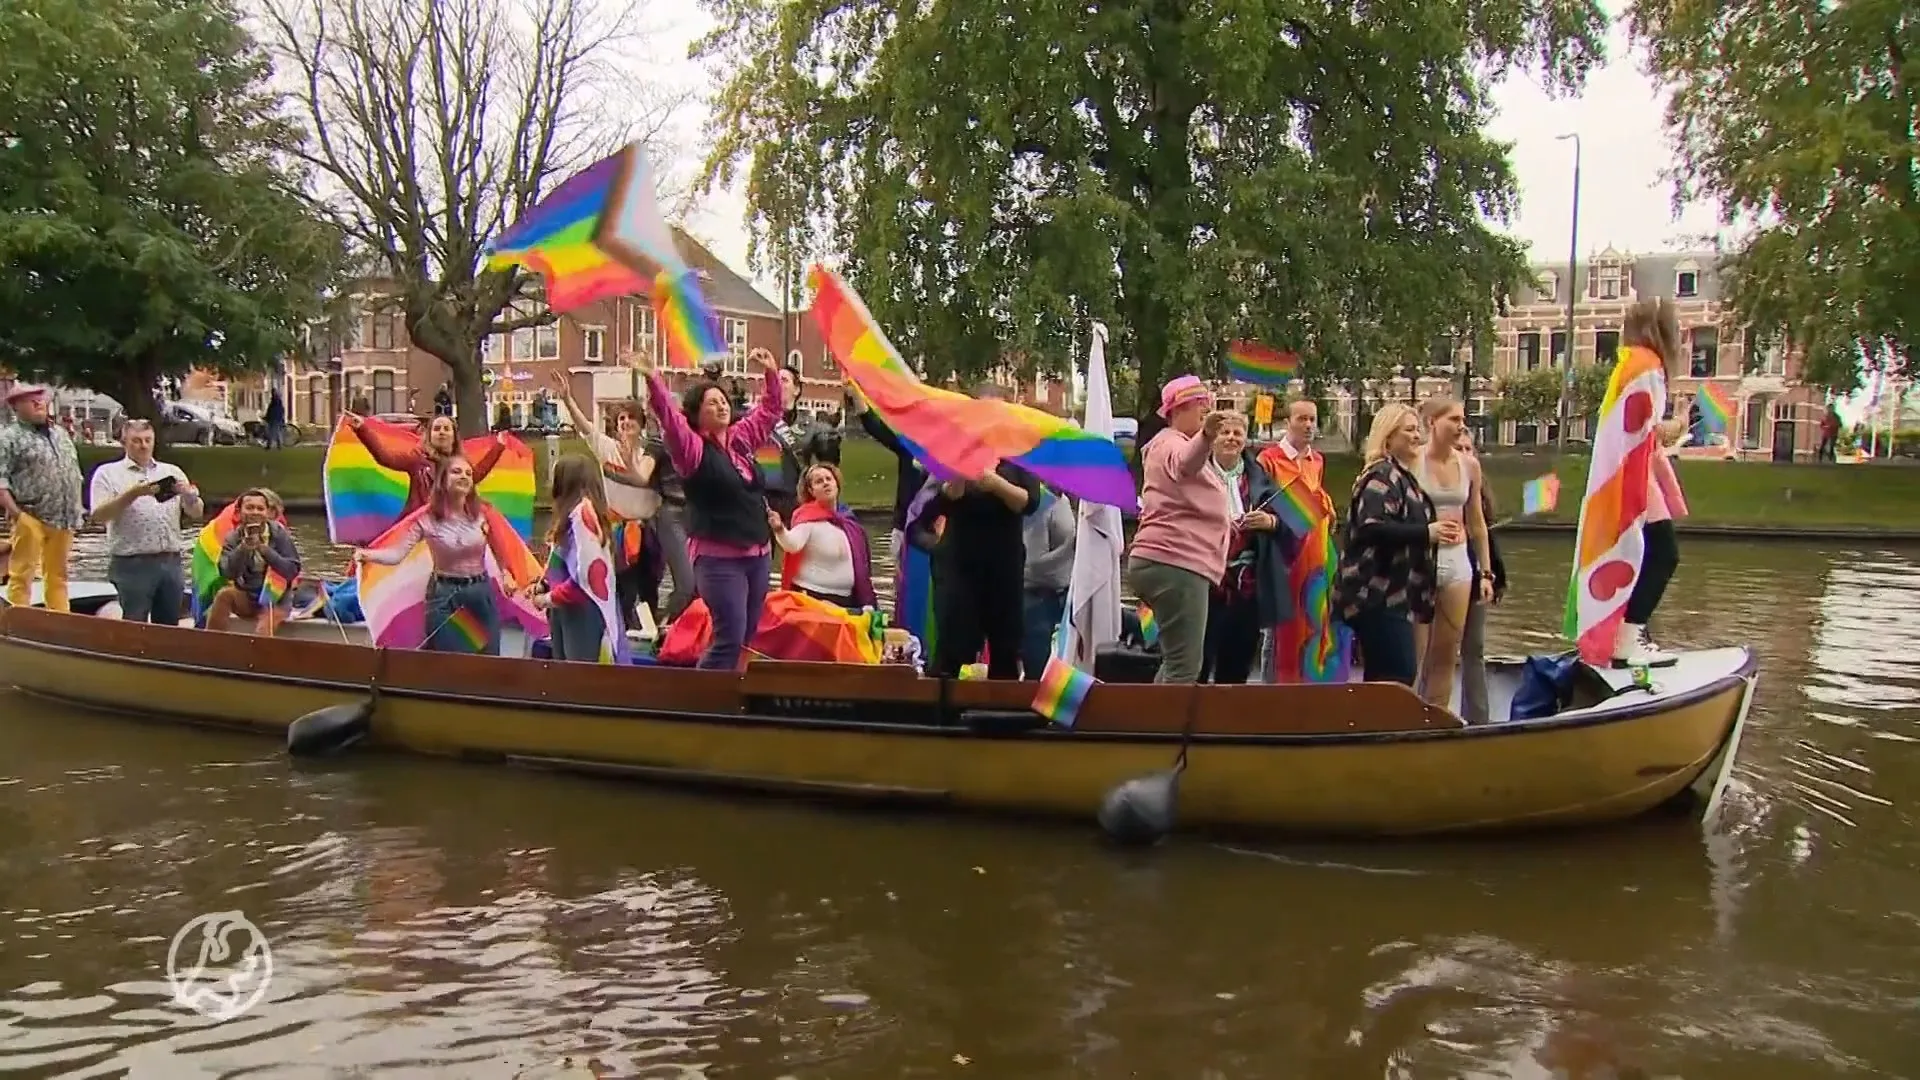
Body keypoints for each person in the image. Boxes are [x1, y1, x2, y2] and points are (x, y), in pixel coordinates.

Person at [642, 345, 786, 670]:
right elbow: (670, 421)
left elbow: (770, 411)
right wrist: (654, 378)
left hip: (758, 555)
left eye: (723, 401)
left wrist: (771, 374)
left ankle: (733, 697)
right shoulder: (692, 450)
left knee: (747, 636)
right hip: (720, 559)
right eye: (712, 403)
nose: (721, 406)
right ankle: (702, 701)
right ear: (697, 414)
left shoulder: (739, 439)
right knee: (729, 637)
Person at [908, 385, 1042, 680]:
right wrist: (949, 493)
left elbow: (1030, 502)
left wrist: (995, 484)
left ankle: (1001, 716)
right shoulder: (954, 451)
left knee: (1005, 646)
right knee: (953, 646)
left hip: (1003, 565)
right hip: (960, 562)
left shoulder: (1019, 454)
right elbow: (924, 511)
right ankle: (940, 716)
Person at [1126, 375, 1231, 684]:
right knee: (1185, 666)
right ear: (1177, 409)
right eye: (1199, 405)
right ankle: (1165, 729)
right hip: (1177, 562)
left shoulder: (1168, 444)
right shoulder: (1170, 444)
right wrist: (1207, 436)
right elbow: (1185, 463)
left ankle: (1153, 724)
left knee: (1175, 661)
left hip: (1167, 560)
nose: (1206, 410)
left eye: (1207, 405)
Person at [1335, 404, 1448, 686]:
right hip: (1374, 594)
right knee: (1397, 674)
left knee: (1388, 675)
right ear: (1388, 438)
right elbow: (1372, 526)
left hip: (1394, 594)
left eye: (1417, 429)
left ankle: (1372, 727)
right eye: (1409, 430)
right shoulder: (1381, 475)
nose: (1418, 436)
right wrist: (1426, 533)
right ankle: (1377, 727)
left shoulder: (1402, 476)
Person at [354, 454, 505, 654]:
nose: (464, 477)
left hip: (480, 593)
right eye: (456, 472)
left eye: (468, 473)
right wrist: (367, 555)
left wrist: (507, 576)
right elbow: (397, 555)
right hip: (444, 595)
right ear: (442, 480)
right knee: (452, 658)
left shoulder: (482, 514)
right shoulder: (426, 519)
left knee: (490, 655)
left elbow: (502, 551)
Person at [548, 371, 665, 625]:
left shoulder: (652, 453)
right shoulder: (607, 449)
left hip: (649, 530)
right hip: (620, 532)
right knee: (623, 588)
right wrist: (567, 399)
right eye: (621, 419)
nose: (625, 423)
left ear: (641, 423)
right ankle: (620, 637)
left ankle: (651, 636)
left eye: (631, 418)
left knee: (650, 589)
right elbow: (585, 427)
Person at [1615, 297, 1690, 667]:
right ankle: (1628, 637)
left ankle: (1625, 633)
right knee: (1664, 554)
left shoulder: (1630, 365)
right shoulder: (1649, 367)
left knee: (1642, 554)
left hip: (1629, 473)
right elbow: (1645, 429)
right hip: (1637, 477)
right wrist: (1676, 426)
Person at [1253, 397, 1347, 684]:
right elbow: (1264, 502)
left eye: (1312, 419)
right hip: (1284, 552)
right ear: (1287, 422)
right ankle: (1274, 687)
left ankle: (1308, 680)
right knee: (1280, 620)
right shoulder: (1268, 459)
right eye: (1301, 419)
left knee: (1314, 614)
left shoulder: (1316, 460)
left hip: (1316, 551)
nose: (1308, 425)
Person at [1411, 396, 1495, 706]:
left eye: (1462, 419)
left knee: (1446, 653)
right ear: (1433, 423)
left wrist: (1485, 572)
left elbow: (1477, 523)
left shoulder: (1470, 465)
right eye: (1454, 420)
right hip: (1419, 562)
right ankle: (1404, 720)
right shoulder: (1412, 461)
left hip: (1458, 563)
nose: (1461, 426)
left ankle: (1436, 719)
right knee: (1415, 654)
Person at [88, 419, 204, 624]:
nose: (143, 445)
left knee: (169, 623)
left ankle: (164, 655)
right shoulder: (107, 473)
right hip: (132, 562)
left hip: (170, 559)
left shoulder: (171, 471)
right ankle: (130, 654)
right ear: (124, 443)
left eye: (148, 440)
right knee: (134, 621)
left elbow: (196, 513)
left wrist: (189, 496)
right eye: (136, 441)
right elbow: (99, 516)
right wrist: (133, 494)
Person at [1198, 412, 1282, 684]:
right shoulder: (1196, 475)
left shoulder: (1261, 478)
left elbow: (1290, 525)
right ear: (1212, 438)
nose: (1232, 438)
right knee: (1198, 660)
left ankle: (1227, 722)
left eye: (1238, 433)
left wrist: (1270, 521)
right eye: (1225, 432)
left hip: (1247, 585)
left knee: (1237, 664)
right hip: (1205, 582)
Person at [528, 454, 624, 663]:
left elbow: (587, 575)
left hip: (581, 609)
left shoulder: (583, 513)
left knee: (578, 676)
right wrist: (543, 584)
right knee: (566, 674)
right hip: (565, 607)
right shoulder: (572, 514)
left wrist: (545, 600)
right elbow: (564, 560)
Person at [0, 384, 85, 611]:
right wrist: (17, 515)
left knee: (58, 575)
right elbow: (1, 480)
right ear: (15, 407)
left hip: (64, 516)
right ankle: (19, 622)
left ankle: (60, 619)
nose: (39, 403)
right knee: (22, 573)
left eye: (40, 398)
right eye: (30, 400)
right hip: (30, 515)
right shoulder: (9, 437)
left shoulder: (60, 433)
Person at [343, 411, 510, 518]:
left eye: (446, 428)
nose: (442, 432)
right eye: (437, 429)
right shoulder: (418, 458)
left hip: (450, 523)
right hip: (419, 524)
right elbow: (386, 458)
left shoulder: (461, 464)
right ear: (429, 435)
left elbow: (476, 475)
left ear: (453, 435)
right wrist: (363, 430)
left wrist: (499, 447)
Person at [772, 463, 876, 611]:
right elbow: (792, 545)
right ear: (811, 490)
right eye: (819, 481)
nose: (826, 483)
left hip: (848, 599)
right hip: (814, 597)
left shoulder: (847, 519)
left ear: (837, 483)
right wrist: (779, 529)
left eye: (829, 479)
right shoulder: (807, 517)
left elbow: (863, 563)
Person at [1455, 429, 1507, 724]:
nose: (1464, 455)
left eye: (1468, 449)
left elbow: (1486, 537)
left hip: (1475, 576)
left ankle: (1478, 719)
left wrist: (1493, 576)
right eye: (1458, 448)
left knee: (1474, 649)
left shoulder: (1480, 492)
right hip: (1445, 575)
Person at [207, 489, 302, 634]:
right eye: (250, 508)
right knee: (223, 595)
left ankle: (261, 653)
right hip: (248, 596)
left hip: (276, 599)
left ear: (267, 512)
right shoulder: (233, 537)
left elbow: (292, 570)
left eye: (260, 508)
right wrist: (243, 549)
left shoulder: (279, 534)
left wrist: (264, 550)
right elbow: (227, 573)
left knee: (263, 629)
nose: (255, 512)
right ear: (239, 512)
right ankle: (211, 645)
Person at [761, 365, 841, 522]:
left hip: (797, 502)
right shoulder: (754, 422)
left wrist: (830, 437)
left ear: (796, 390)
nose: (778, 384)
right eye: (774, 380)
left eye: (784, 380)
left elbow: (830, 465)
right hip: (763, 502)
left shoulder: (810, 426)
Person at [1018, 485, 1076, 678]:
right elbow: (1032, 562)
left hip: (1061, 593)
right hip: (1034, 595)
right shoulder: (1038, 505)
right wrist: (1072, 546)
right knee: (1038, 669)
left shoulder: (1063, 500)